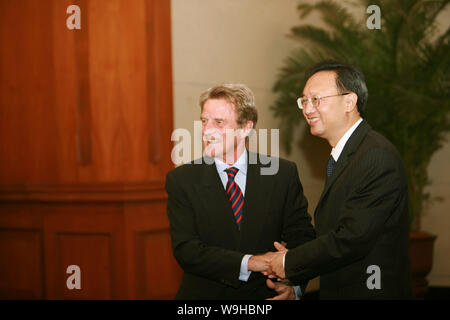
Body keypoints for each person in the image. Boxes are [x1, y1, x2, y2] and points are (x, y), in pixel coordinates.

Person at [263, 61, 413, 299]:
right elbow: (332, 235)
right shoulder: (346, 156)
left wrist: (289, 261)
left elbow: (350, 239)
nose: (307, 109)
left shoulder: (376, 156)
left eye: (316, 99)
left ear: (349, 102)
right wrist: (296, 281)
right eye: (304, 101)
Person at [165, 84, 315, 299]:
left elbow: (303, 239)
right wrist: (252, 262)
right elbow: (187, 250)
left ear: (245, 128)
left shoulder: (282, 175)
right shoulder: (182, 180)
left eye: (219, 122)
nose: (207, 131)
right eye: (204, 121)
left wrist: (294, 287)